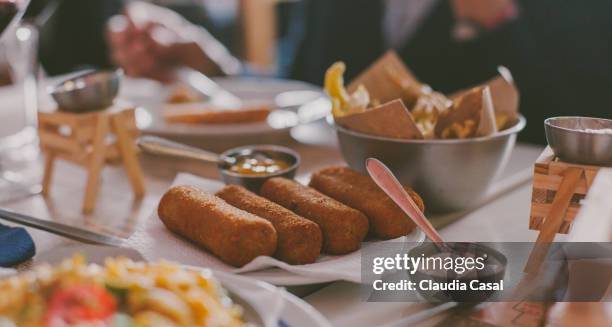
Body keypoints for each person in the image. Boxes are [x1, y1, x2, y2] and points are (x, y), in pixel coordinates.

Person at [109, 0, 612, 144]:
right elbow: (308, 91)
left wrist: (500, 23)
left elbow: (588, 123)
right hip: (345, 236)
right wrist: (213, 66)